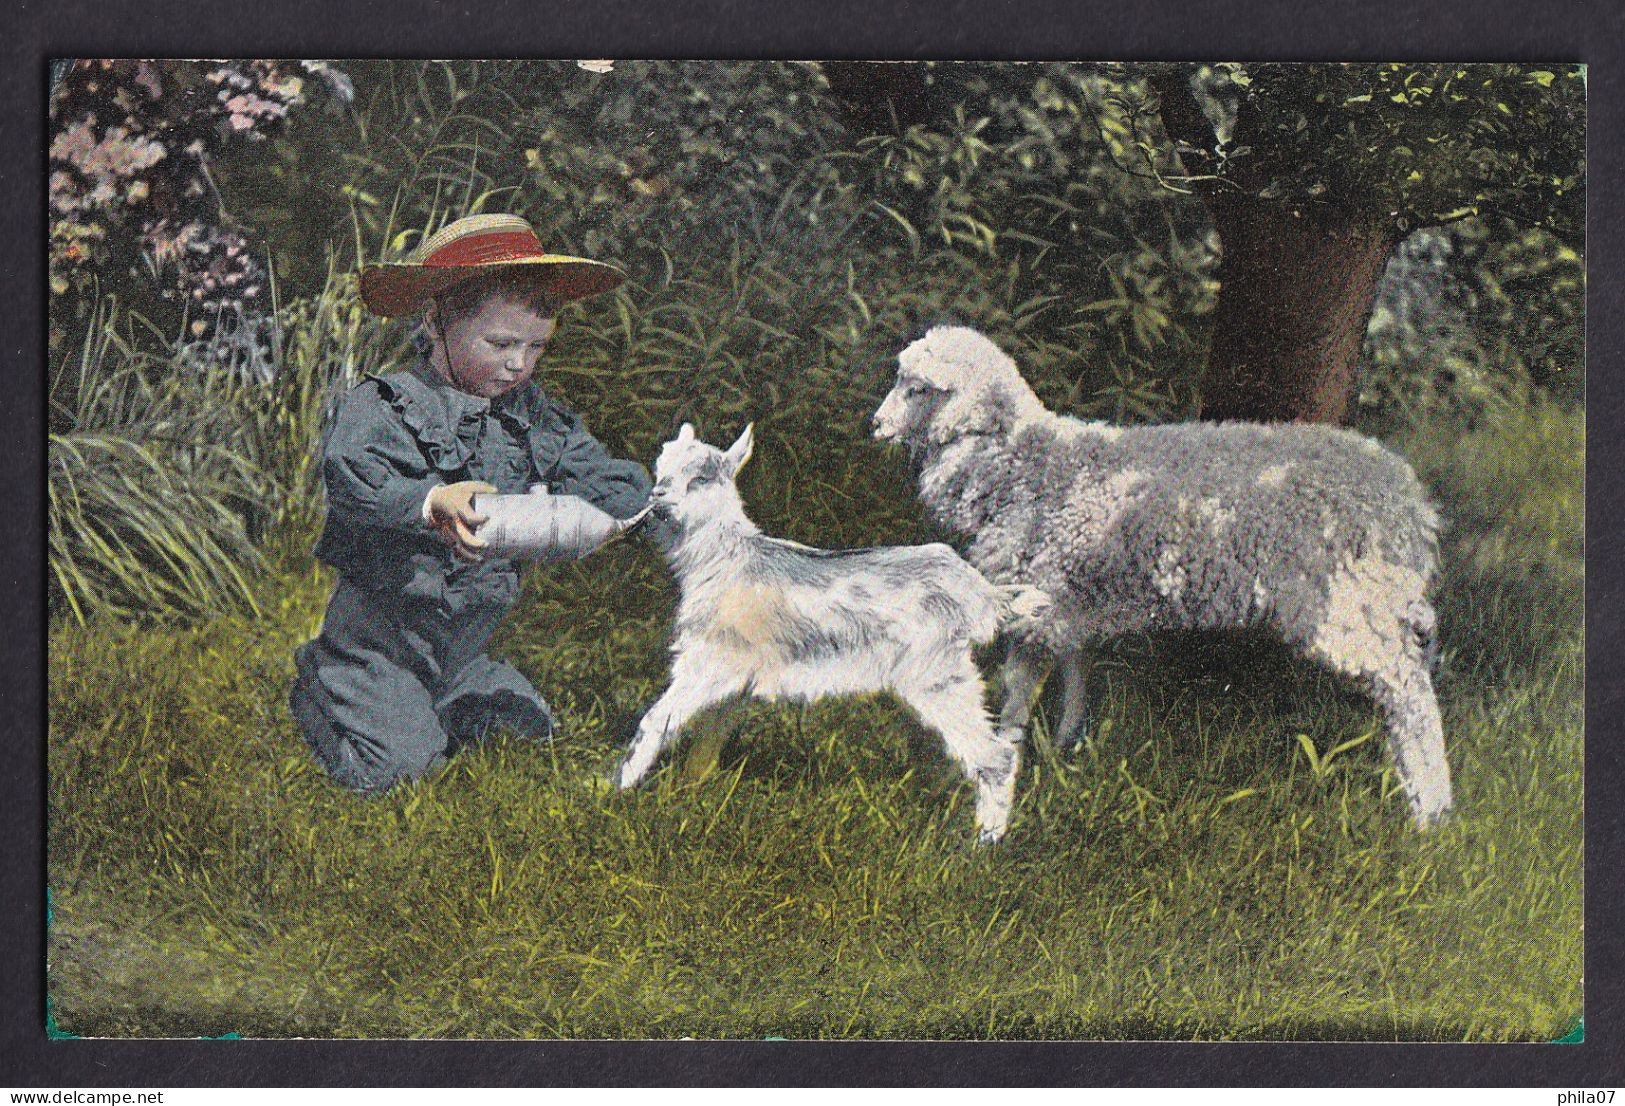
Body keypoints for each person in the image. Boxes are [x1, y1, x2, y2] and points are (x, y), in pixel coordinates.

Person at [289, 212, 658, 793]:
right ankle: (325, 683)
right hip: (378, 646)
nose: (519, 365)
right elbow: (354, 477)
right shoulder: (387, 406)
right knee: (403, 772)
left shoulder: (531, 415)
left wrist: (652, 502)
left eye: (536, 347)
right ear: (437, 322)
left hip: (461, 650)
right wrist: (432, 499)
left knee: (525, 734)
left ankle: (435, 703)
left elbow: (590, 466)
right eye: (502, 344)